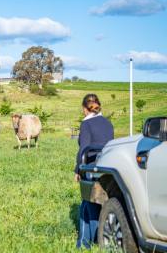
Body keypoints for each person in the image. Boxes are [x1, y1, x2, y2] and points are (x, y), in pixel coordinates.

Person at [74, 94, 114, 249]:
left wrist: (78, 169)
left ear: (85, 109)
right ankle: (103, 237)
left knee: (87, 203)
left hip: (90, 165)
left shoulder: (86, 124)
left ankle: (84, 244)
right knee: (102, 201)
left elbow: (84, 148)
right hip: (107, 166)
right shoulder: (108, 123)